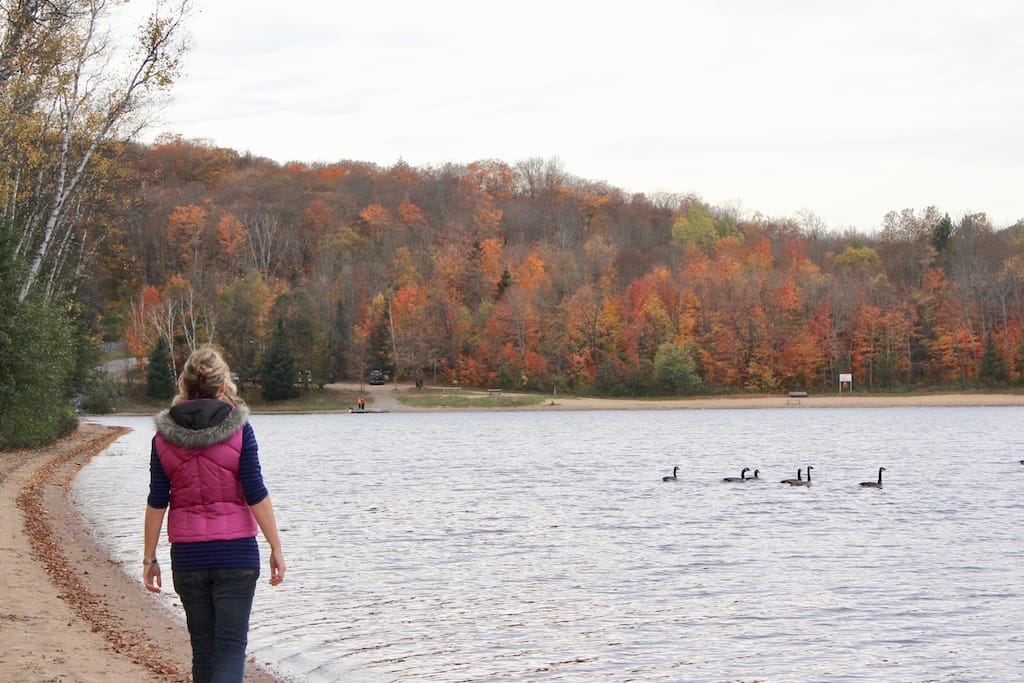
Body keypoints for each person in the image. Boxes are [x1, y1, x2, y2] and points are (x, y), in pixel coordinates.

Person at [143, 346, 285, 683]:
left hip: (189, 556)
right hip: (235, 553)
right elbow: (255, 490)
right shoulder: (240, 429)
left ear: (185, 384)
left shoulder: (162, 437)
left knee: (204, 652)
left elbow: (157, 500)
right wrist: (275, 547)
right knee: (231, 649)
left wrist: (149, 557)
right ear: (222, 387)